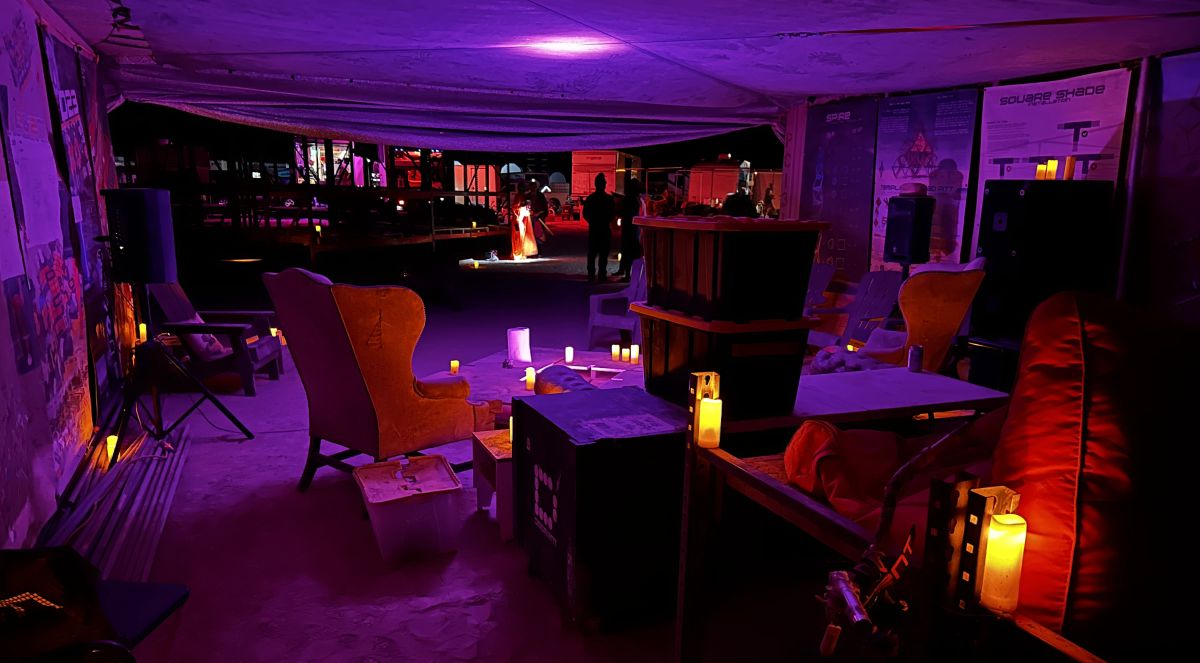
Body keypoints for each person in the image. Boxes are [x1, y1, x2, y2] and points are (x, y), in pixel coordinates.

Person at [583, 173, 616, 282]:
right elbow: (612, 214)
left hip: (594, 229)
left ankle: (592, 275)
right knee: (603, 254)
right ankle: (601, 274)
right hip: (604, 229)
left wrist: (592, 221)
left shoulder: (591, 198)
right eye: (604, 182)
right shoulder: (609, 199)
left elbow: (585, 213)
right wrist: (605, 220)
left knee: (593, 253)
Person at [618, 177, 645, 280]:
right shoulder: (638, 200)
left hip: (629, 228)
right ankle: (631, 274)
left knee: (628, 251)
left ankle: (627, 274)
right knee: (633, 252)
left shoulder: (629, 199)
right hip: (635, 229)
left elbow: (623, 211)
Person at [527, 181, 551, 247]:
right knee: (531, 232)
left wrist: (539, 213)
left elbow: (544, 207)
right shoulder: (527, 196)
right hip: (530, 217)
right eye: (531, 186)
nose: (533, 188)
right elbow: (526, 205)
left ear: (536, 187)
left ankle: (539, 247)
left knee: (539, 233)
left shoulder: (540, 196)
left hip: (539, 217)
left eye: (534, 187)